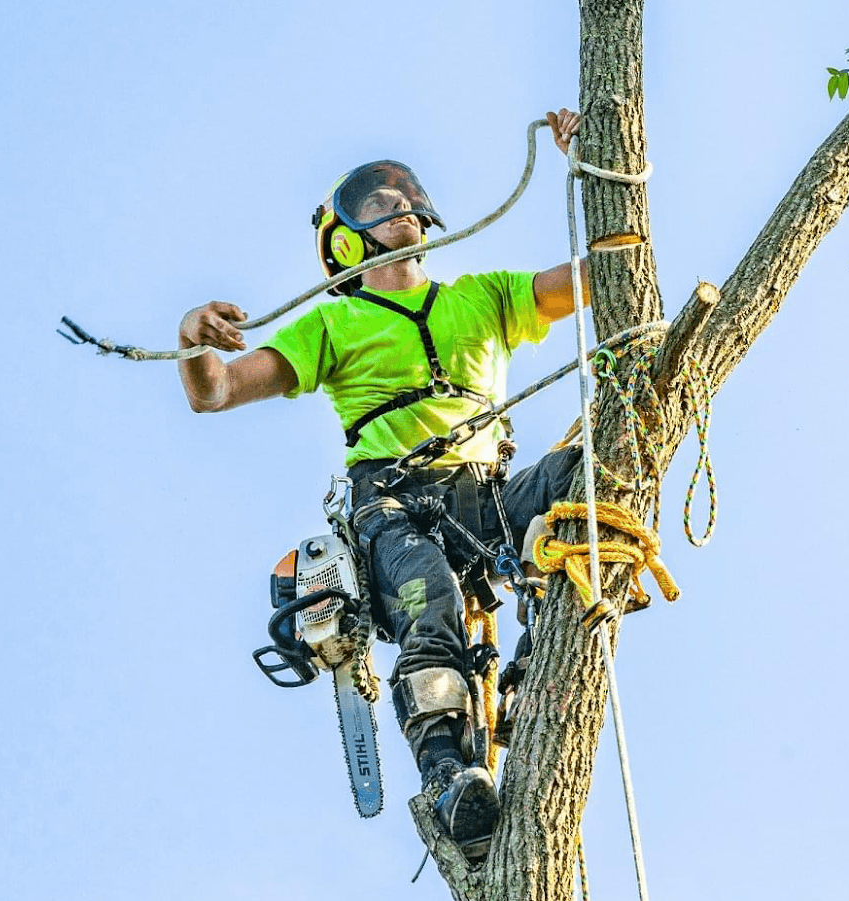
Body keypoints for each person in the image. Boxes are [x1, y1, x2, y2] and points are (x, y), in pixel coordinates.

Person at [177, 109, 585, 857]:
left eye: (405, 194)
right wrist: (192, 342)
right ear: (344, 240)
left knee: (583, 472)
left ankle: (533, 677)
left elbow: (595, 281)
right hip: (395, 502)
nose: (401, 205)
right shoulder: (331, 327)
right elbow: (215, 392)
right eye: (378, 201)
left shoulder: (484, 296)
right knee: (429, 602)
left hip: (485, 491)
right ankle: (450, 774)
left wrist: (589, 169)